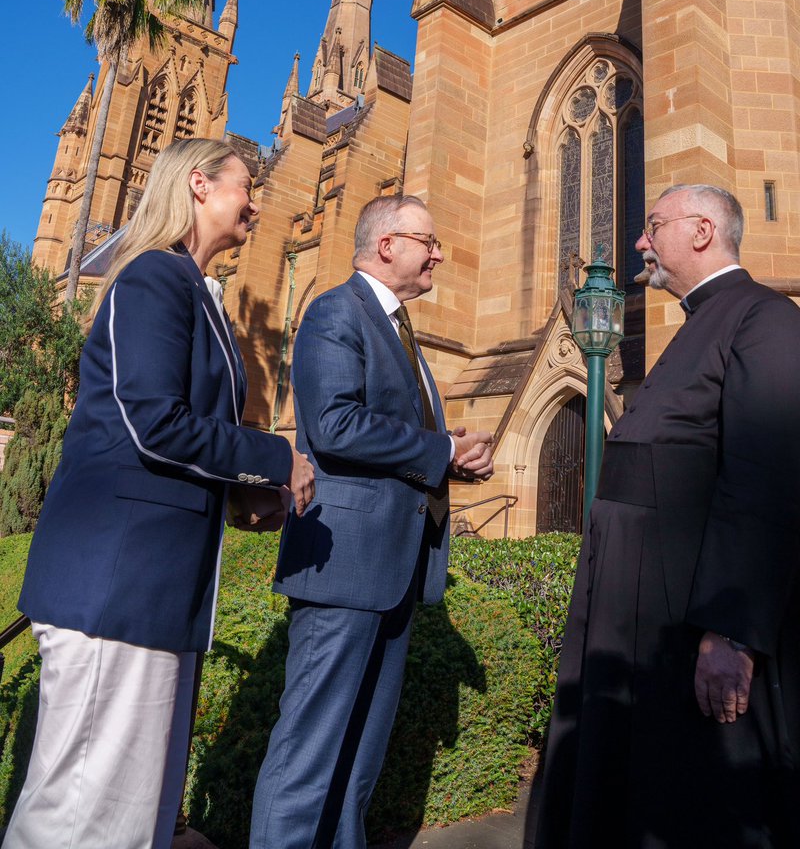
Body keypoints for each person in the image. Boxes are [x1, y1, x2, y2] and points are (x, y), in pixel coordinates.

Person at [5, 138, 315, 849]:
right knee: (81, 820)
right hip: (116, 588)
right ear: (200, 186)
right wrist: (275, 455)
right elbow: (155, 424)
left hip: (154, 596)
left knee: (128, 821)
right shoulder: (152, 277)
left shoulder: (194, 293)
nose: (258, 203)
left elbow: (171, 442)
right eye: (247, 187)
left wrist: (244, 498)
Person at [534, 183, 800, 849]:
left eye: (653, 226)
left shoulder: (763, 319)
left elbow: (767, 477)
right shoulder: (698, 322)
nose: (640, 240)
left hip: (691, 628)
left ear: (703, 232)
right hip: (642, 622)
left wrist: (732, 633)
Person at [249, 194, 495, 849]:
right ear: (388, 245)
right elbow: (331, 426)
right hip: (344, 569)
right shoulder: (338, 311)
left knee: (357, 763)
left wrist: (452, 461)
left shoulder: (400, 328)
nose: (440, 252)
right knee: (310, 759)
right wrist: (438, 449)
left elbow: (393, 439)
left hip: (395, 569)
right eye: (428, 240)